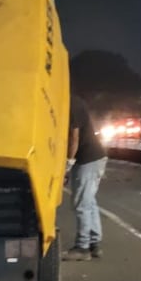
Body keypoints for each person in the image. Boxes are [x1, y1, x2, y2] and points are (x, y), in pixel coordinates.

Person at [62, 94, 108, 262]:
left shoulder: (71, 104)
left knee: (81, 204)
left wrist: (67, 165)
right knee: (89, 202)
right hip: (93, 158)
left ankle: (82, 248)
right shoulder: (75, 101)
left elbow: (74, 138)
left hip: (88, 160)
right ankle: (94, 243)